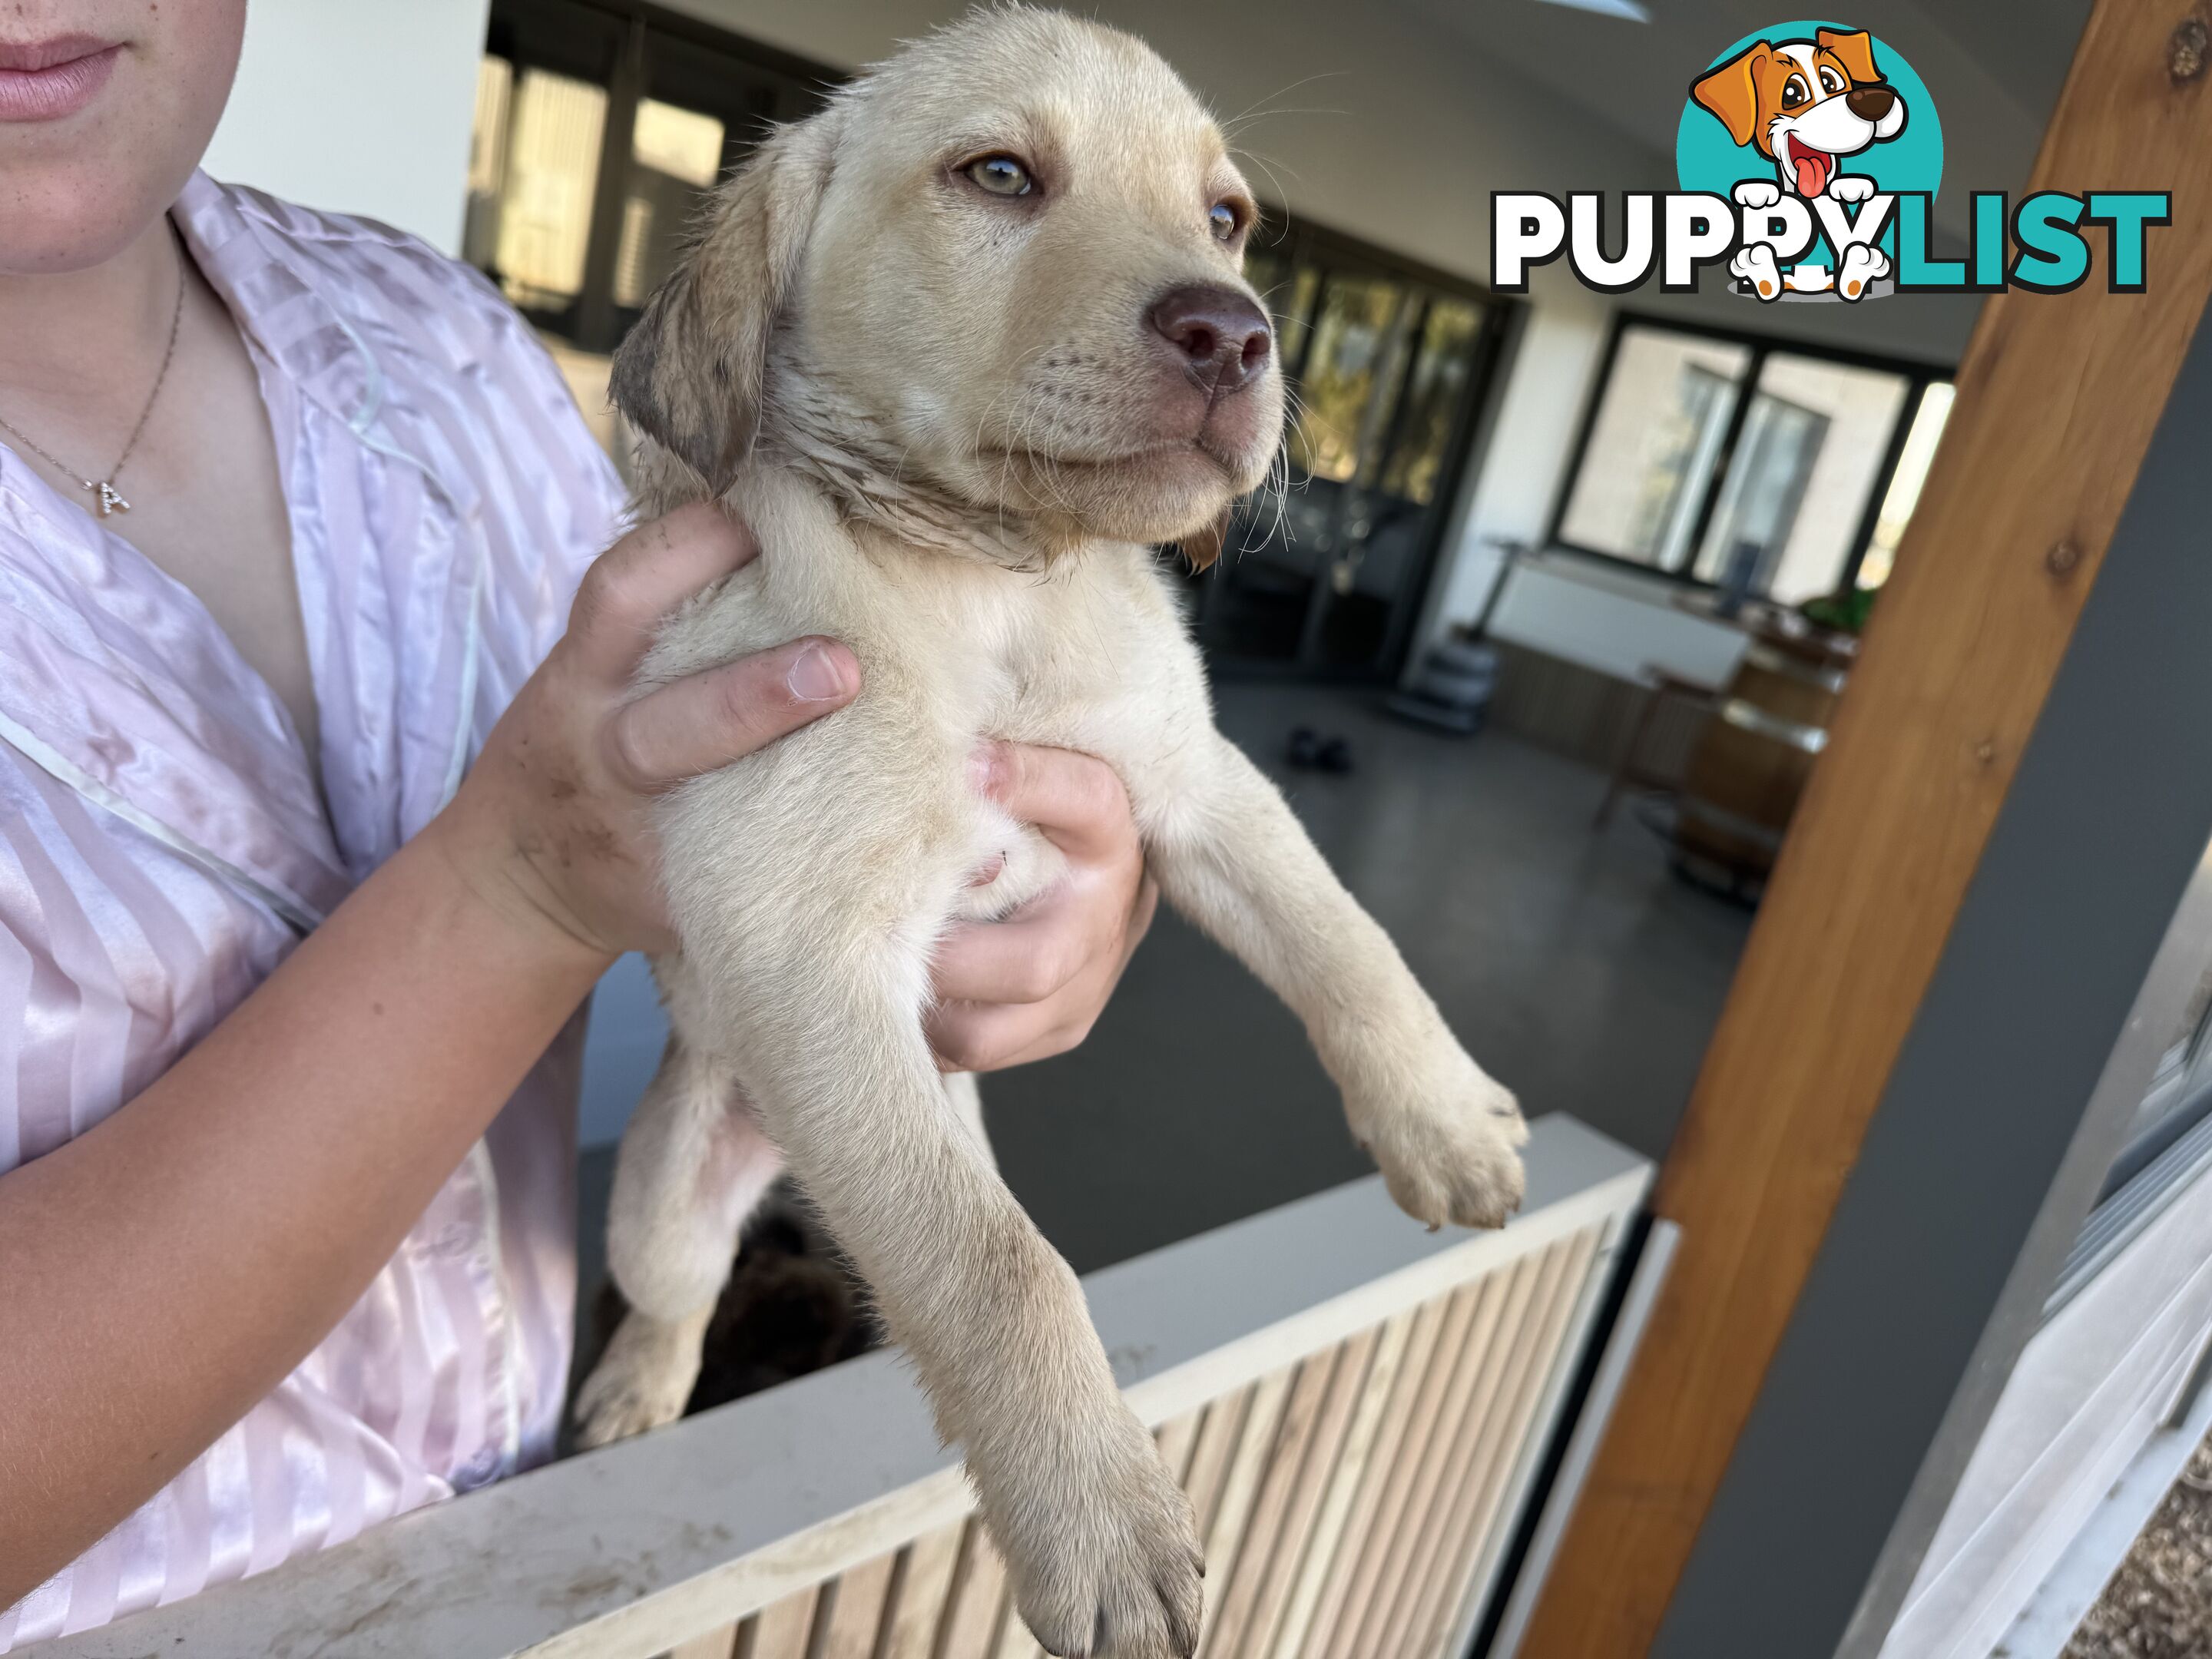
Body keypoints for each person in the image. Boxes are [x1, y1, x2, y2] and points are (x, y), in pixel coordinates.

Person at [0, 5, 1156, 1644]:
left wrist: (1041, 865)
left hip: (533, 1542)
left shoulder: (434, 336)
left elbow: (783, 777)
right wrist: (519, 894)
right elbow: (585, 848)